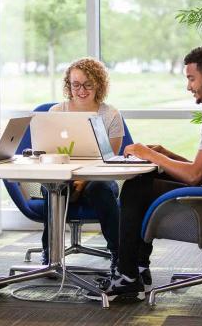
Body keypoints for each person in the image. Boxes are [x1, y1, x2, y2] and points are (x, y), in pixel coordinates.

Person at [90, 45, 202, 302]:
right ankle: (137, 269)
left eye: (191, 78)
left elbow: (196, 176)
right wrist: (166, 153)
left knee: (137, 187)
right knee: (145, 180)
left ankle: (128, 274)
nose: (188, 86)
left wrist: (149, 154)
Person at [41, 57, 125, 271]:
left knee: (101, 188)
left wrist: (84, 180)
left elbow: (110, 160)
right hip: (63, 175)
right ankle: (50, 254)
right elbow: (48, 152)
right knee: (53, 188)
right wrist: (72, 179)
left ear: (99, 84)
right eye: (75, 84)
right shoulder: (56, 113)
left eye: (88, 84)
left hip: (98, 178)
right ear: (68, 85)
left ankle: (120, 256)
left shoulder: (111, 115)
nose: (81, 90)